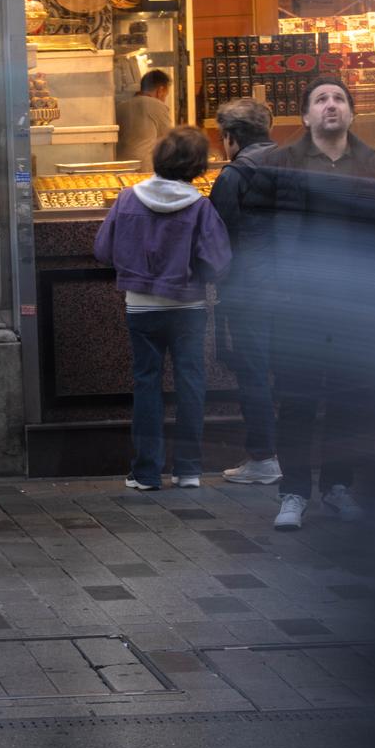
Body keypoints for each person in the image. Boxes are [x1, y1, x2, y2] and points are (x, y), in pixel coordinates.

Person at [254, 77, 375, 530]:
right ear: (305, 115)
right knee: (297, 400)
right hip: (299, 304)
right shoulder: (280, 163)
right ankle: (293, 492)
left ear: (351, 113)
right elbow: (254, 226)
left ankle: (337, 487)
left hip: (357, 307)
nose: (331, 105)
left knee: (348, 401)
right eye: (321, 100)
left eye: (339, 98)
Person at [94, 126, 231, 491]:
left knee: (146, 384)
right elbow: (218, 261)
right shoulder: (201, 206)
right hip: (189, 306)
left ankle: (146, 472)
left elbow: (103, 250)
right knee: (191, 382)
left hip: (141, 307)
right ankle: (188, 470)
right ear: (198, 166)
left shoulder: (126, 199)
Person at [210, 99, 281, 485]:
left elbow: (216, 236)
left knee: (252, 373)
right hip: (296, 288)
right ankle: (295, 454)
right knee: (290, 373)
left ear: (231, 137)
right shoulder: (294, 164)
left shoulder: (233, 176)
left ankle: (263, 457)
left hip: (249, 291)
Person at [116, 68, 173, 171]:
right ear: (160, 90)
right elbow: (168, 139)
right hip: (144, 168)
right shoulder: (157, 106)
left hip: (121, 166)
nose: (164, 99)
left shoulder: (121, 107)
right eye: (165, 95)